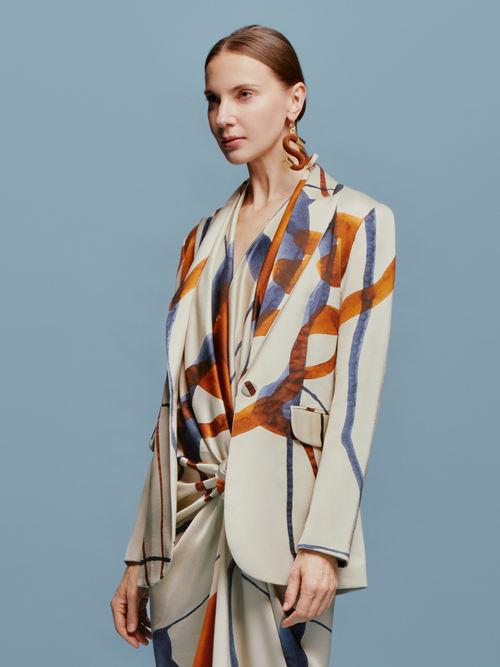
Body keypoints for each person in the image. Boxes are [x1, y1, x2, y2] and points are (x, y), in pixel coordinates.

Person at [111, 24, 395, 667]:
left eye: (244, 94)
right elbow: (172, 408)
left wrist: (327, 544)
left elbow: (355, 402)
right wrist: (140, 552)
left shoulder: (356, 222)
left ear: (294, 98)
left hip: (285, 530)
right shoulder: (201, 238)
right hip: (184, 531)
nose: (224, 117)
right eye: (213, 100)